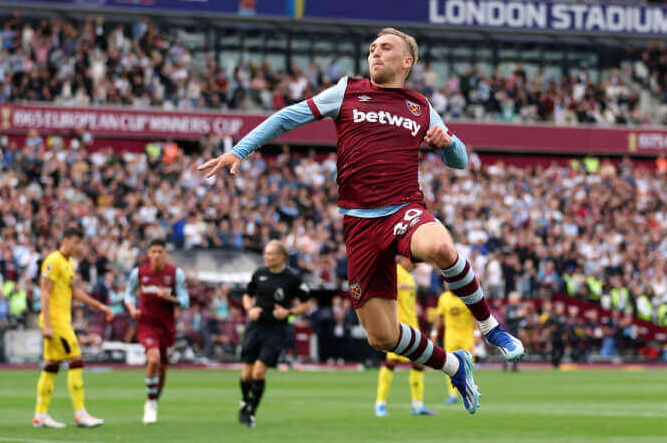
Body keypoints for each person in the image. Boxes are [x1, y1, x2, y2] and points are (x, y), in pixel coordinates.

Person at [199, 27, 524, 414]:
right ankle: (454, 365)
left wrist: (448, 143)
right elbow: (288, 117)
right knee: (382, 336)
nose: (375, 53)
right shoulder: (346, 91)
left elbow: (459, 161)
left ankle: (491, 328)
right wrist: (240, 150)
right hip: (358, 224)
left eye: (385, 48)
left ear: (407, 61)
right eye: (372, 48)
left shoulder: (420, 106)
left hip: (403, 208)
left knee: (438, 246)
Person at [33, 227, 113, 429]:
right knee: (76, 359)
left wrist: (100, 306)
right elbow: (44, 293)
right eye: (76, 242)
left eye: (81, 243)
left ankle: (40, 415)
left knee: (52, 365)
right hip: (56, 322)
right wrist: (48, 325)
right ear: (66, 240)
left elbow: (74, 292)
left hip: (61, 320)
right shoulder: (54, 260)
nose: (79, 247)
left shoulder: (69, 263)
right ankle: (80, 413)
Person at [237, 240, 312, 428]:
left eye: (271, 254)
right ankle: (245, 401)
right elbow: (247, 295)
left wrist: (289, 312)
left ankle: (251, 412)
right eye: (265, 253)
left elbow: (306, 304)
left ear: (282, 257)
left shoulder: (293, 278)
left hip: (276, 329)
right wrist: (250, 309)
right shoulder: (259, 273)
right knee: (246, 375)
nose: (266, 257)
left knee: (259, 371)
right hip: (255, 326)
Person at [125, 239, 190, 424]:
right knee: (153, 359)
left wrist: (169, 297)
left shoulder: (175, 274)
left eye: (160, 251)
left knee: (162, 368)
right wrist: (132, 309)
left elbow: (185, 301)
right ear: (148, 254)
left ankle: (154, 399)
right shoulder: (139, 273)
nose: (156, 255)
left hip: (166, 326)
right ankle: (151, 403)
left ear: (165, 254)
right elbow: (128, 293)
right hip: (146, 323)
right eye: (153, 251)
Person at [375, 256, 435, 417]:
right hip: (397, 328)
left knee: (419, 364)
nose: (416, 263)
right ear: (402, 259)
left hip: (413, 328)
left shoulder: (410, 278)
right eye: (413, 260)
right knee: (391, 362)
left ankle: (417, 405)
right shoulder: (394, 273)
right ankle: (380, 404)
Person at [434, 283, 475, 404]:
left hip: (466, 335)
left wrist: (477, 333)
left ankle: (469, 391)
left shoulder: (466, 295)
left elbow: (474, 314)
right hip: (450, 336)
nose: (447, 286)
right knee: (449, 365)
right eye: (445, 284)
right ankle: (452, 394)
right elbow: (439, 317)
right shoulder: (443, 298)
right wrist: (434, 332)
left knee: (468, 365)